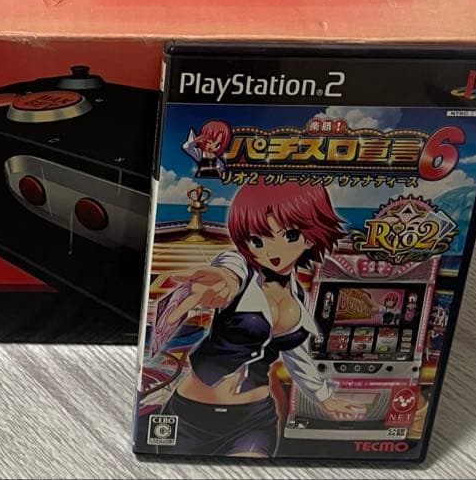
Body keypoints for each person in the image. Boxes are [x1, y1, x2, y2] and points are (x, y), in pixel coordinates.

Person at [154, 181, 365, 457]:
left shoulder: (298, 296)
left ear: (310, 237)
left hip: (254, 419)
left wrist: (325, 398)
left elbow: (296, 355)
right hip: (191, 417)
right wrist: (225, 279)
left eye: (289, 235)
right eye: (257, 240)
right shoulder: (242, 271)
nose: (271, 251)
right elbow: (231, 267)